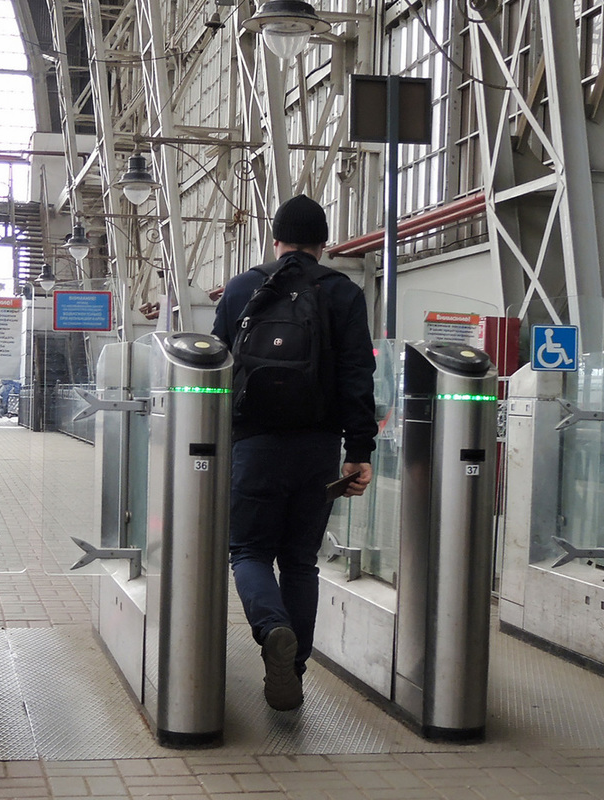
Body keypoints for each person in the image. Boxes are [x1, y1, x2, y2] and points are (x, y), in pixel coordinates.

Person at [211, 194, 377, 711]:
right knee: (301, 563)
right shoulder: (343, 293)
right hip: (319, 449)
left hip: (253, 446)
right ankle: (293, 671)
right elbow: (358, 376)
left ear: (276, 239)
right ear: (323, 244)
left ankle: (272, 628)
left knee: (249, 552)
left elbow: (215, 368)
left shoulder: (243, 288)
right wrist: (359, 449)